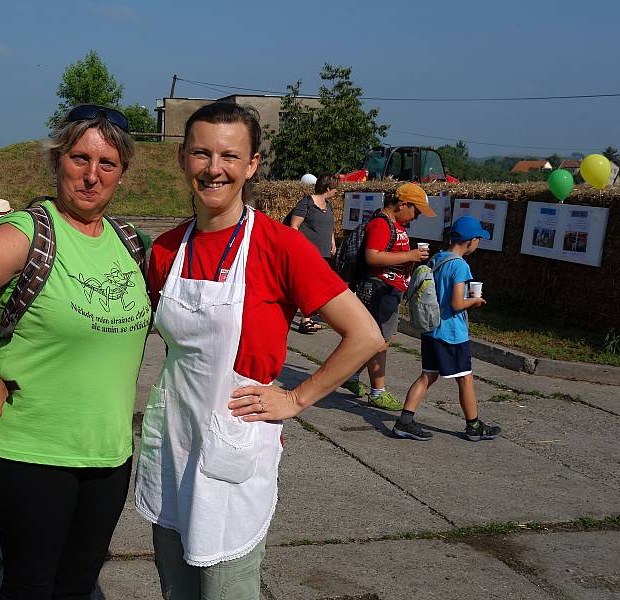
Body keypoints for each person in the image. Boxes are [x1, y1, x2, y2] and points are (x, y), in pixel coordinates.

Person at [135, 102, 383, 600]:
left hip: (235, 450)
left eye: (230, 155)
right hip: (175, 444)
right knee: (176, 589)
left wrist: (295, 399)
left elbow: (365, 335)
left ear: (251, 166)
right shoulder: (165, 250)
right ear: (184, 159)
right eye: (202, 153)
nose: (214, 168)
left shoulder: (280, 246)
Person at [0, 104, 151, 599]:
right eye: (79, 158)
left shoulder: (130, 242)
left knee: (79, 583)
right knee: (33, 583)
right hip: (31, 448)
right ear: (57, 160)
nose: (91, 175)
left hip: (108, 450)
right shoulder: (27, 233)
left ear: (123, 173)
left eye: (107, 164)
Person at [394, 216, 502, 442]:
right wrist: (475, 301)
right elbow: (456, 304)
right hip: (451, 334)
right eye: (479, 239)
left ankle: (404, 421)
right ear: (471, 241)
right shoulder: (460, 265)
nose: (478, 244)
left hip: (431, 329)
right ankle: (473, 426)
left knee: (427, 376)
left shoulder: (437, 258)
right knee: (465, 379)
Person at [349, 183, 433, 411]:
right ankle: (378, 391)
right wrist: (411, 254)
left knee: (378, 339)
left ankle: (351, 375)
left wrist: (409, 258)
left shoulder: (394, 224)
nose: (416, 217)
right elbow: (372, 257)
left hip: (388, 289)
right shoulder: (382, 224)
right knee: (380, 341)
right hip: (380, 289)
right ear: (403, 204)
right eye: (416, 211)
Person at [289, 173, 339, 333]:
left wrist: (332, 242)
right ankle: (306, 320)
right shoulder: (306, 203)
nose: (337, 192)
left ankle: (308, 317)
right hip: (308, 253)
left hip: (324, 253)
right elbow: (294, 227)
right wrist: (301, 248)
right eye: (335, 189)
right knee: (307, 286)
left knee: (316, 286)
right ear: (328, 188)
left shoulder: (329, 206)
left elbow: (330, 226)